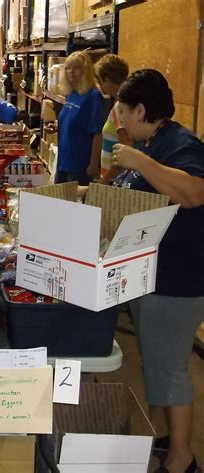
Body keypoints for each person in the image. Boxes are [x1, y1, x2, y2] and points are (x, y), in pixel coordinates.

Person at [112, 69, 204, 473]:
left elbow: (193, 193)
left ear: (142, 110)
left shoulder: (179, 143)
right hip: (152, 274)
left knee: (169, 367)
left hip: (176, 279)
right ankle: (161, 438)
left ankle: (182, 458)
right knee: (156, 361)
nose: (118, 119)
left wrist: (139, 160)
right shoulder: (153, 142)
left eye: (122, 110)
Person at [46, 51, 105, 185]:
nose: (71, 72)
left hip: (80, 166)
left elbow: (97, 134)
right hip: (63, 161)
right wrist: (57, 126)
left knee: (74, 204)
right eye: (68, 68)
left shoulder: (93, 97)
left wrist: (93, 164)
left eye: (76, 68)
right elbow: (75, 121)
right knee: (60, 202)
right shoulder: (72, 93)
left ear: (86, 71)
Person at [94, 54, 133, 183]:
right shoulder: (122, 103)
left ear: (106, 79)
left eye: (99, 80)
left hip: (115, 181)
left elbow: (126, 149)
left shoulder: (120, 107)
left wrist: (105, 180)